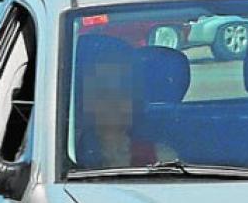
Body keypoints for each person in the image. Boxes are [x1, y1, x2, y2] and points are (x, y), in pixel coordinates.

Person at [72, 37, 177, 168]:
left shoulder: (162, 158)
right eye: (103, 89)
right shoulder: (63, 155)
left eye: (122, 89)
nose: (114, 100)